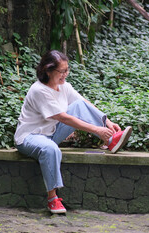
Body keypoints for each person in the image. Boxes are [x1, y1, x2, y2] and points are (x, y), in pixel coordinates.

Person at [14, 50, 132, 214]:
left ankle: (111, 139)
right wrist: (97, 129)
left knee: (79, 106)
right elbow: (64, 118)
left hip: (51, 133)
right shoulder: (39, 90)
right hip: (29, 137)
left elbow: (83, 103)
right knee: (50, 149)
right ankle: (52, 198)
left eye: (66, 70)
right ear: (47, 71)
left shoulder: (64, 86)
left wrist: (107, 122)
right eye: (61, 71)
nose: (65, 75)